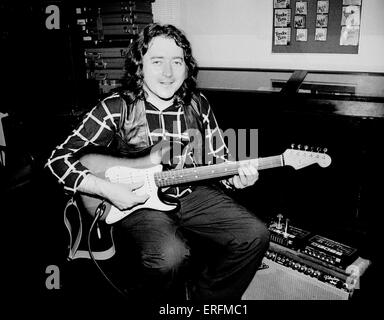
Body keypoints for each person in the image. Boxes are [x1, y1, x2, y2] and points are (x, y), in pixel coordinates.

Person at [45, 23, 269, 303]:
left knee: (255, 234)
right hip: (137, 199)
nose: (168, 73)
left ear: (187, 67)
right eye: (157, 61)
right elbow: (57, 160)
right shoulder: (116, 107)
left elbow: (219, 159)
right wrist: (105, 189)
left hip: (189, 191)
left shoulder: (198, 104)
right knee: (170, 257)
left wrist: (235, 178)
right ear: (140, 65)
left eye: (177, 62)